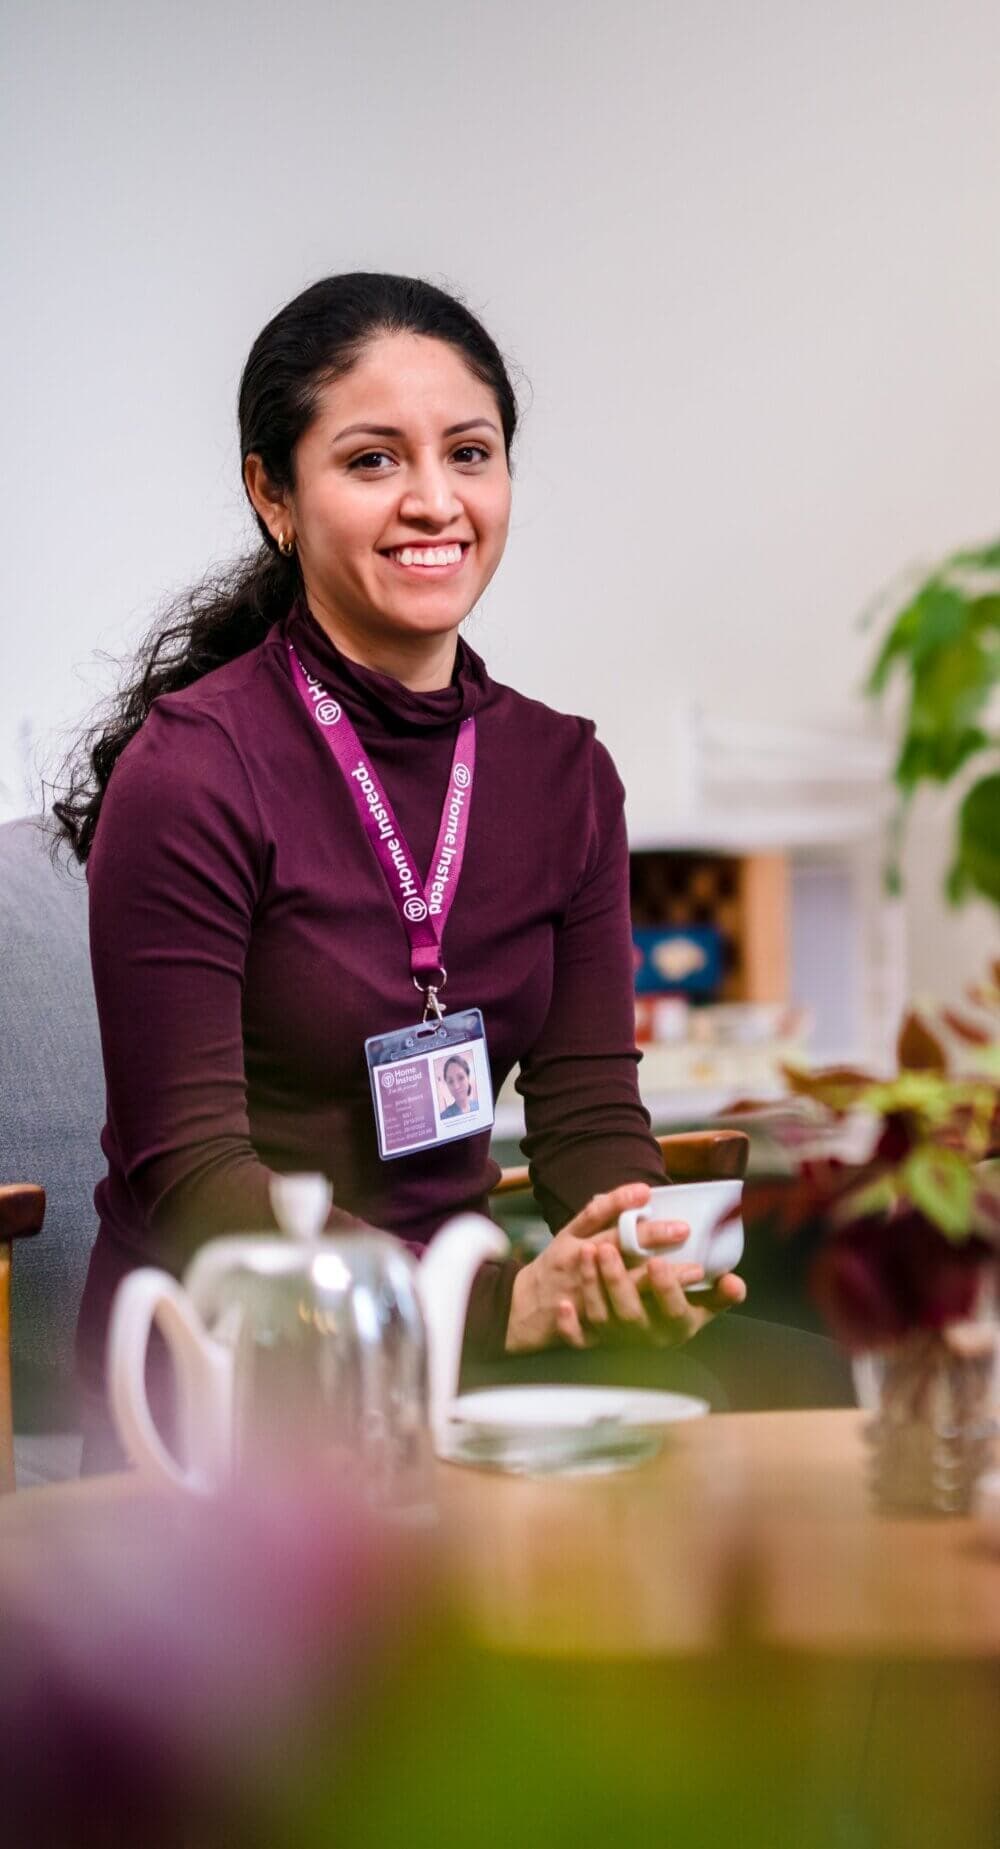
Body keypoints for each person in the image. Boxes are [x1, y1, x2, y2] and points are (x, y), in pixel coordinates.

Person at [55, 273, 845, 1460]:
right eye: (372, 461)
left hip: (484, 1337)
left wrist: (629, 1255)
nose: (435, 501)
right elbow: (192, 1176)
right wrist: (497, 1299)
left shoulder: (563, 771)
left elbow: (585, 1117)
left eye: (469, 453)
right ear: (273, 494)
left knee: (806, 1383)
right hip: (251, 1360)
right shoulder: (195, 772)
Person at [439, 1055, 478, 1120]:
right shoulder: (443, 1117)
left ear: (468, 1077)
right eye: (451, 1081)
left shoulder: (479, 1106)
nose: (456, 1086)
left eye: (460, 1078)